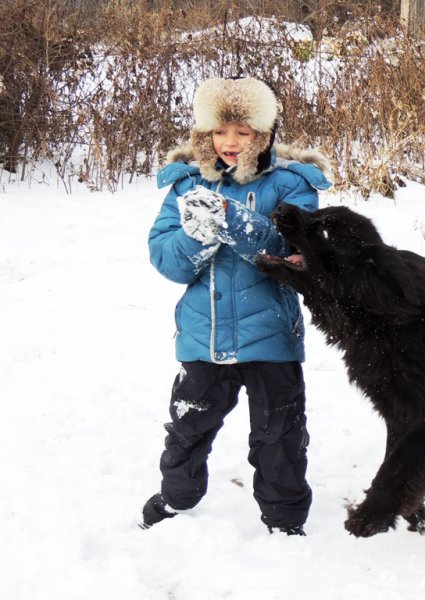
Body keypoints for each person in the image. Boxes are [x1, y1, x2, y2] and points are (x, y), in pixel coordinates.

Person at [141, 77, 331, 536]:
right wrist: (196, 234)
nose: (230, 142)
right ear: (204, 135)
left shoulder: (292, 183)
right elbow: (166, 259)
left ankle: (285, 520)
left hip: (270, 339)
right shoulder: (185, 183)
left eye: (243, 132)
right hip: (202, 338)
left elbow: (295, 251)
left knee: (280, 436)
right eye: (219, 131)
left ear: (262, 136)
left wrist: (232, 221)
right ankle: (178, 496)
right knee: (188, 427)